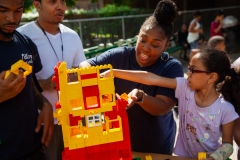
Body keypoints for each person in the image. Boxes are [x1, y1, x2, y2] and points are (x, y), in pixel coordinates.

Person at [80, 0, 183, 154]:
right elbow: (85, 65)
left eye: (155, 45)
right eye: (142, 39)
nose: (146, 48)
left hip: (154, 147)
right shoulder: (119, 55)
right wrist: (101, 90)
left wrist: (141, 97)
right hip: (116, 140)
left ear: (166, 45)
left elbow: (163, 107)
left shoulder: (171, 67)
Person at [104, 47, 240, 160]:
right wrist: (114, 72)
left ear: (212, 77)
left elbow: (228, 144)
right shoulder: (184, 87)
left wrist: (214, 158)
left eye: (193, 70)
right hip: (181, 157)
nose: (188, 73)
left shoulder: (225, 109)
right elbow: (150, 78)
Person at [17, 0, 86, 160]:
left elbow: (82, 68)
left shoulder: (72, 36)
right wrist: (45, 84)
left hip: (73, 120)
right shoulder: (22, 37)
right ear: (37, 4)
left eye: (63, 1)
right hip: (40, 123)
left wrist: (75, 75)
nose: (60, 6)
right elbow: (14, 84)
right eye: (53, 1)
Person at [0, 0, 54, 160]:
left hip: (33, 150)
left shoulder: (26, 44)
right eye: (3, 10)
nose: (11, 18)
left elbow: (31, 83)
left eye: (18, 10)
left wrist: (44, 104)